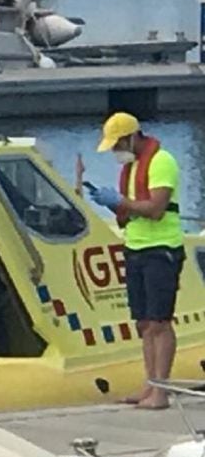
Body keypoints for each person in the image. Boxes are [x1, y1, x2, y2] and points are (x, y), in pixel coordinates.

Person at [89, 112, 184, 410]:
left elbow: (155, 208)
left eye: (118, 145)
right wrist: (114, 202)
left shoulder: (162, 161)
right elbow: (132, 208)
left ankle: (161, 390)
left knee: (160, 321)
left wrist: (119, 202)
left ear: (132, 137)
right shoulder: (131, 168)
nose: (116, 152)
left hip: (161, 249)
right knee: (144, 323)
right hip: (135, 247)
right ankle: (150, 384)